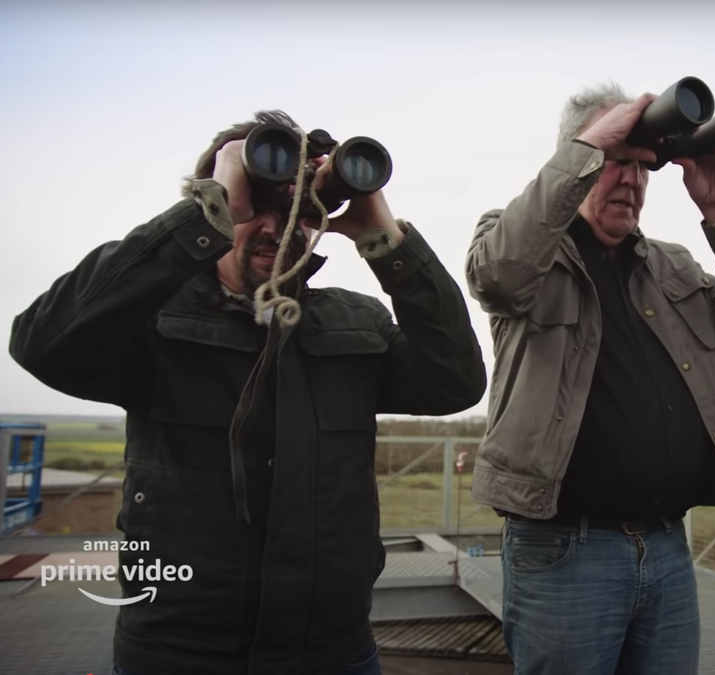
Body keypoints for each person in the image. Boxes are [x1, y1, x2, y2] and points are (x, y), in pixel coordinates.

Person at [8, 110, 488, 675]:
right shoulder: (154, 315)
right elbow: (42, 343)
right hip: (180, 652)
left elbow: (456, 381)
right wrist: (204, 213)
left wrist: (385, 238)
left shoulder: (356, 321)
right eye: (251, 205)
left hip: (332, 649)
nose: (272, 227)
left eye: (297, 213)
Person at [463, 82, 715, 675]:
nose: (633, 181)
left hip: (666, 545)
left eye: (645, 168)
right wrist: (589, 146)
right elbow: (500, 279)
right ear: (579, 158)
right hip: (566, 548)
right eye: (617, 161)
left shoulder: (671, 265)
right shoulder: (522, 247)